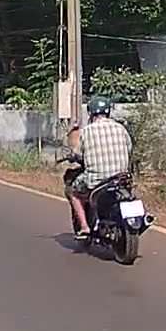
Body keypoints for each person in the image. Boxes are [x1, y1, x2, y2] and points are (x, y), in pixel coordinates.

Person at [67, 96, 132, 241]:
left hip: (96, 179)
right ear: (108, 112)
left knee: (74, 193)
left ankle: (84, 227)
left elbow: (78, 154)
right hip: (121, 177)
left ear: (91, 114)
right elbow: (129, 148)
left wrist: (73, 156)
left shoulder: (87, 131)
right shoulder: (120, 128)